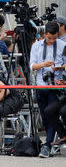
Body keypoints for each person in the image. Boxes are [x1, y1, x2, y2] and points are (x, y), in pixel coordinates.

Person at [29, 21, 66, 158]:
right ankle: (52, 142)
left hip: (56, 85)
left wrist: (60, 68)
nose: (51, 41)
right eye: (49, 38)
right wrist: (43, 65)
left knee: (51, 113)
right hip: (40, 84)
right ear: (44, 34)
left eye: (54, 38)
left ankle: (48, 144)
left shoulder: (63, 45)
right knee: (45, 116)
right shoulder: (36, 46)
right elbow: (32, 66)